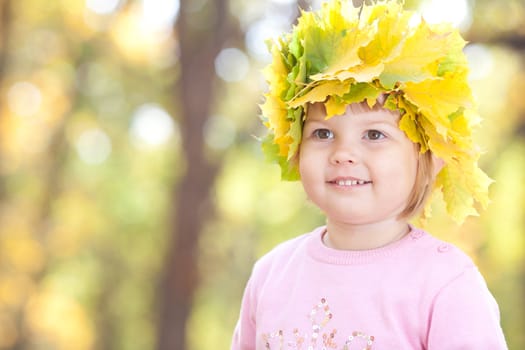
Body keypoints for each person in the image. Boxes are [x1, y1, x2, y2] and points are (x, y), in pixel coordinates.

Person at [231, 0, 508, 349]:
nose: (343, 154)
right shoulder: (271, 275)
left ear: (429, 155)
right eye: (323, 133)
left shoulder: (445, 283)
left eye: (374, 135)